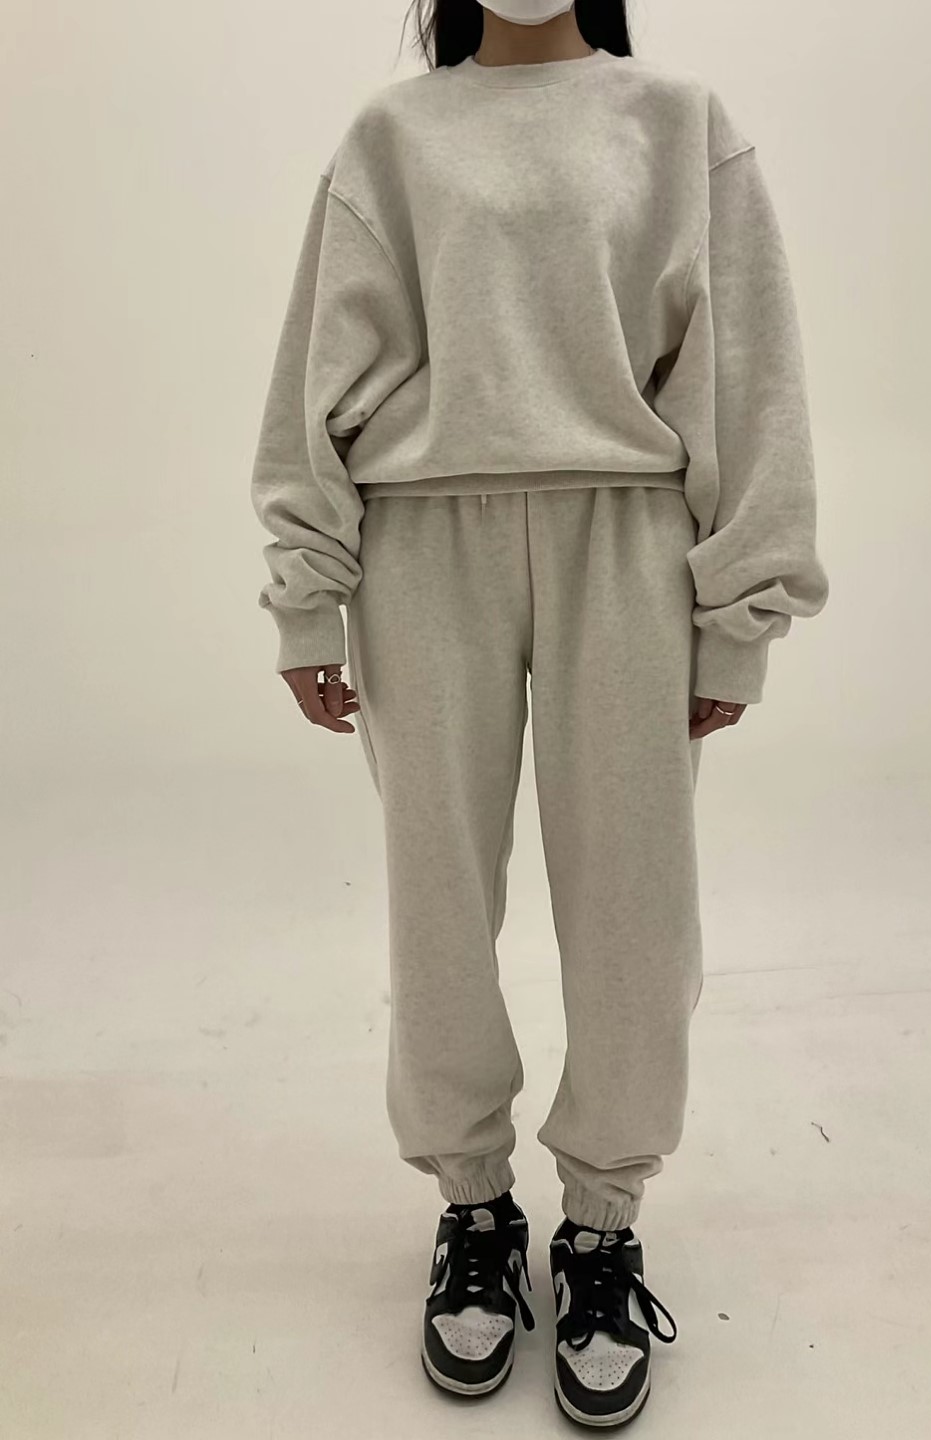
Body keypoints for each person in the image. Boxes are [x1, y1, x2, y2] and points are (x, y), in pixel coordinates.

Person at [249, 0, 829, 1427]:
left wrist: (739, 617)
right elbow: (316, 365)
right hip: (419, 541)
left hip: (624, 538)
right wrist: (308, 594)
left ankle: (603, 1225)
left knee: (635, 902)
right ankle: (474, 1209)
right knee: (436, 894)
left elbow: (749, 373)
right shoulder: (393, 135)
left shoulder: (678, 122)